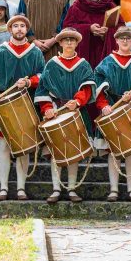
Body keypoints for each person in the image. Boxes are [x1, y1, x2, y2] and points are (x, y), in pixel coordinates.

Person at [0, 14, 45, 201]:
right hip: (4, 104)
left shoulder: (35, 53)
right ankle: (3, 188)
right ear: (10, 30)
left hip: (27, 105)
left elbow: (43, 76)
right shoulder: (0, 51)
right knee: (3, 145)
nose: (19, 29)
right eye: (15, 26)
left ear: (27, 30)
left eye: (22, 26)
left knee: (24, 147)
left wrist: (29, 81)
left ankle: (20, 188)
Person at [93, 26, 131, 202]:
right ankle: (113, 189)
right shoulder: (106, 63)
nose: (125, 41)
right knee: (114, 149)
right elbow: (97, 86)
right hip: (113, 108)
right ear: (116, 40)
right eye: (122, 38)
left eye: (129, 38)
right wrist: (103, 105)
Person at [35, 28, 96, 204]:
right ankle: (56, 189)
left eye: (72, 40)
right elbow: (43, 90)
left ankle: (71, 189)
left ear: (77, 43)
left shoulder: (83, 64)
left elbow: (87, 88)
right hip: (56, 112)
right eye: (65, 40)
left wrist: (77, 101)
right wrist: (47, 108)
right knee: (56, 151)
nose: (69, 43)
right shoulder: (52, 64)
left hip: (76, 112)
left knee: (74, 152)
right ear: (60, 43)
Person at [62, 0, 124, 69]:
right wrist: (88, 28)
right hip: (82, 55)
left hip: (105, 55)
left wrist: (107, 33)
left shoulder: (111, 7)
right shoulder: (76, 7)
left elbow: (121, 28)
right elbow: (66, 29)